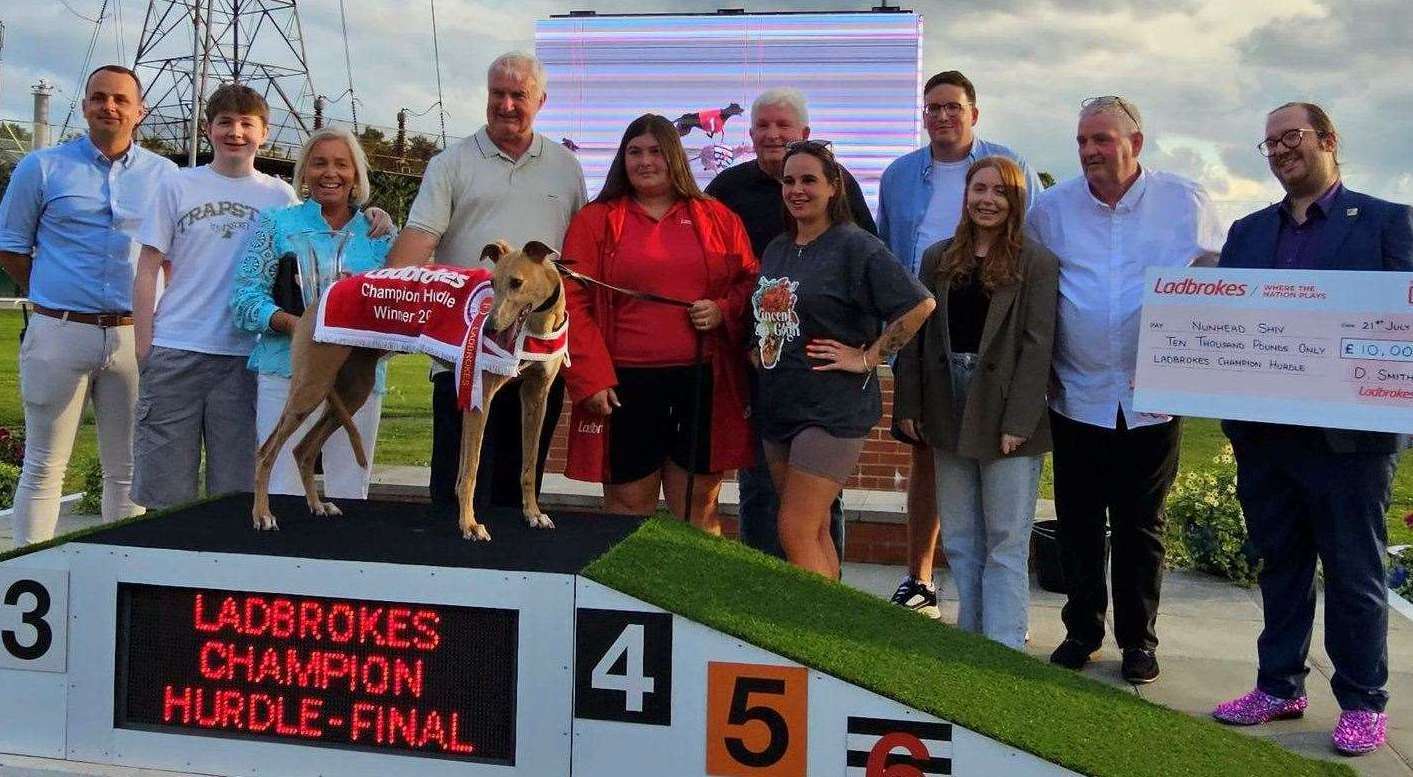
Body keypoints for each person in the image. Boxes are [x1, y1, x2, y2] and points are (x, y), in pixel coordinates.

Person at [1210, 102, 1413, 756]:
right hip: (1266, 436)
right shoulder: (1244, 232)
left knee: (1353, 572)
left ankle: (1362, 700)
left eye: (1288, 137)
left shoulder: (1385, 222)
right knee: (1280, 565)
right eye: (1267, 143)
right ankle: (1278, 684)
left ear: (1327, 140)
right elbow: (1224, 326)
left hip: (1348, 440)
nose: (1276, 150)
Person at [1028, 96, 1223, 682]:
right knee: (1079, 521)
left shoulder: (1184, 200)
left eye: (1102, 140)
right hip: (1077, 393)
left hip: (1153, 398)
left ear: (1135, 143)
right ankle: (1082, 631)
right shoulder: (1053, 208)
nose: (1089, 151)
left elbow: (1220, 273)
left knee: (1143, 526)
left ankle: (1139, 640)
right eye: (1082, 141)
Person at [384, 51, 586, 515]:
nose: (507, 104)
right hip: (466, 358)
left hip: (537, 358)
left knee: (518, 503)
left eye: (519, 95)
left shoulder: (565, 167)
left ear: (541, 100)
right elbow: (418, 241)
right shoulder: (450, 164)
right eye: (498, 93)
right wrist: (381, 302)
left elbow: (576, 257)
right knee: (457, 500)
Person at [877, 70, 1043, 618]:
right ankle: (938, 597)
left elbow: (1036, 331)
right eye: (933, 107)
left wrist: (1020, 411)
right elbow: (893, 267)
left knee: (1004, 530)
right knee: (953, 508)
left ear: (974, 112)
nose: (942, 116)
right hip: (934, 363)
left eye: (953, 106)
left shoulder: (1016, 191)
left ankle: (1003, 633)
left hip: (1002, 380)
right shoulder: (904, 184)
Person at [0, 65, 175, 544]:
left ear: (140, 112)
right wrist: (58, 292)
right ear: (84, 106)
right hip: (59, 332)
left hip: (133, 336)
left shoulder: (166, 176)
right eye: (99, 97)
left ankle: (122, 581)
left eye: (121, 99)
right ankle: (28, 574)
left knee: (128, 470)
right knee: (42, 466)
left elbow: (175, 256)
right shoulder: (42, 167)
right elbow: (11, 246)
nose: (109, 106)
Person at [560, 114, 758, 532]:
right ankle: (619, 598)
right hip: (625, 383)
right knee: (628, 506)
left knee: (699, 505)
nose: (645, 161)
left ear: (675, 157)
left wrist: (723, 309)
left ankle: (700, 597)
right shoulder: (595, 220)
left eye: (655, 151)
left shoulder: (718, 218)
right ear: (622, 158)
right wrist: (591, 377)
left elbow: (749, 283)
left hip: (702, 380)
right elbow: (572, 303)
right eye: (635, 152)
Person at [705, 87, 876, 563]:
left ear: (805, 134)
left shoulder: (838, 186)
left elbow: (870, 276)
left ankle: (825, 606)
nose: (772, 134)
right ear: (751, 133)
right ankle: (763, 591)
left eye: (783, 127)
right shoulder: (727, 189)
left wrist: (863, 354)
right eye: (763, 126)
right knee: (759, 487)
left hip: (822, 380)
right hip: (759, 370)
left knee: (816, 509)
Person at [893, 156, 1058, 648]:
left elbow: (1037, 346)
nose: (988, 200)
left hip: (1005, 409)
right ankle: (974, 637)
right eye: (979, 189)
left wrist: (1020, 419)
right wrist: (911, 405)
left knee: (1006, 540)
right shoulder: (939, 259)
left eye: (1000, 192)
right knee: (962, 539)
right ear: (966, 195)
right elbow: (918, 342)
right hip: (948, 405)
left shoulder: (1037, 263)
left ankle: (1004, 642)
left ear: (1016, 200)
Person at [752, 140, 933, 578]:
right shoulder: (778, 247)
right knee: (810, 530)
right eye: (789, 181)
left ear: (834, 187)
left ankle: (808, 635)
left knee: (794, 527)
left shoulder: (855, 247)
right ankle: (831, 624)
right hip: (779, 404)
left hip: (832, 408)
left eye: (809, 180)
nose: (797, 189)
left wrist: (869, 357)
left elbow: (919, 305)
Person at [131, 83, 298, 509]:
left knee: (235, 491)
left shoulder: (278, 196)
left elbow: (315, 243)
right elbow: (148, 265)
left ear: (264, 131)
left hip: (246, 357)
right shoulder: (178, 185)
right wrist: (144, 345)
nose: (236, 132)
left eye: (247, 123)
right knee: (164, 492)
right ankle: (160, 572)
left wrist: (373, 214)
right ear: (208, 129)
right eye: (225, 122)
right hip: (176, 349)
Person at [231, 125, 394, 498]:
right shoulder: (277, 224)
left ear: (356, 174)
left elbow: (392, 304)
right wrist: (297, 325)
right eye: (319, 163)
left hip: (358, 376)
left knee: (350, 491)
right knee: (282, 486)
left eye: (342, 164)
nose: (330, 173)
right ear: (304, 172)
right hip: (287, 370)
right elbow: (244, 300)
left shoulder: (379, 233)